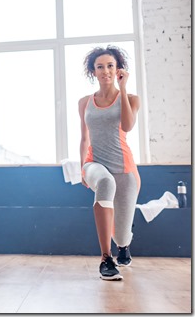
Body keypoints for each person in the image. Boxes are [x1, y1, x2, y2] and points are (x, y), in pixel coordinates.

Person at [78, 45, 141, 281]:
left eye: (110, 66)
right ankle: (106, 258)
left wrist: (122, 89)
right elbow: (84, 137)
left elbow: (127, 126)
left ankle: (123, 246)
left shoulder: (132, 99)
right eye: (100, 66)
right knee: (104, 182)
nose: (105, 71)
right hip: (94, 162)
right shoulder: (84, 102)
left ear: (118, 69)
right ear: (93, 71)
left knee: (122, 233)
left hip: (124, 169)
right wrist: (82, 169)